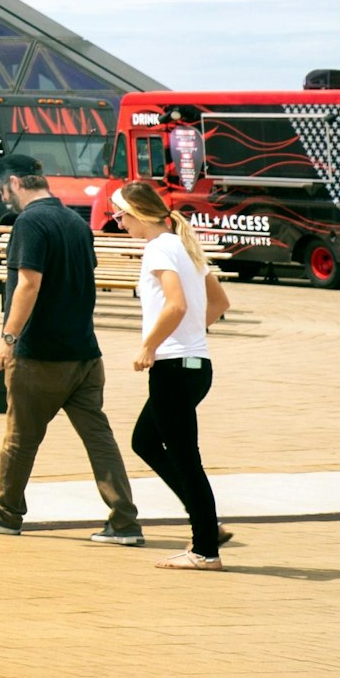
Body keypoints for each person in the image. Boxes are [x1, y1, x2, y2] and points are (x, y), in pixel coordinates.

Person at [0, 160, 144, 544]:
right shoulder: (76, 223)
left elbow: (29, 283)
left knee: (20, 437)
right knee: (99, 439)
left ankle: (6, 512)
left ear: (14, 182)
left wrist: (7, 339)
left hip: (40, 355)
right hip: (85, 354)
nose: (1, 197)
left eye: (1, 190)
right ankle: (125, 521)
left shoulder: (30, 223)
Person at [121, 180, 231, 570]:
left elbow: (176, 304)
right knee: (145, 441)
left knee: (185, 460)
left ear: (138, 214)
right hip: (195, 366)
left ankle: (205, 549)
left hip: (173, 368)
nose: (119, 225)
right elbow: (219, 302)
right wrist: (189, 337)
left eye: (121, 216)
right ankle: (206, 525)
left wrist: (150, 345)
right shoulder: (183, 244)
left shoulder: (158, 247)